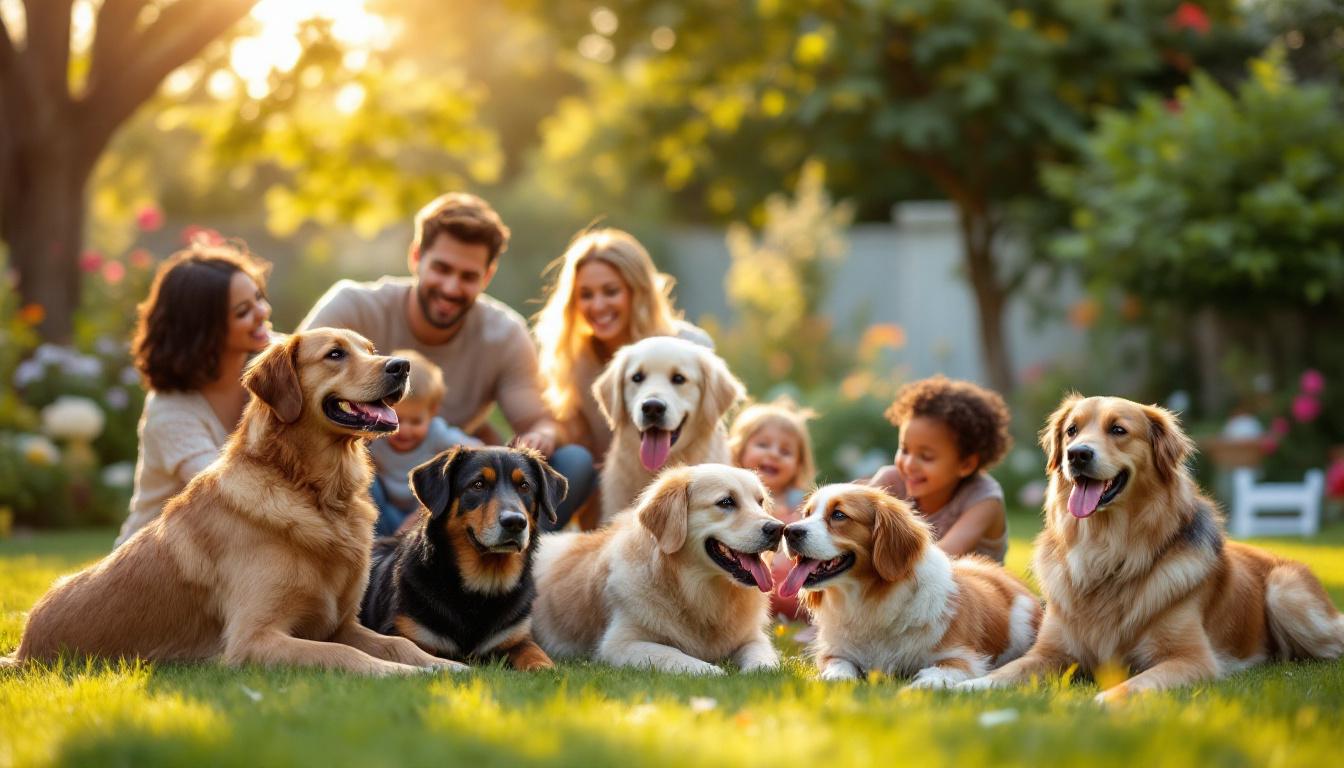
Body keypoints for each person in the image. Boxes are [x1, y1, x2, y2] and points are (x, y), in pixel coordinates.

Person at [298, 192, 592, 530]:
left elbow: (539, 421)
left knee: (575, 462)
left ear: (487, 275)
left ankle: (503, 565)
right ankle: (373, 568)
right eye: (441, 268)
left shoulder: (505, 333)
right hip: (363, 486)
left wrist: (541, 435)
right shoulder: (353, 308)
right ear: (416, 257)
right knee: (350, 467)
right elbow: (297, 390)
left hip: (451, 499)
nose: (451, 287)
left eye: (468, 276)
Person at [116, 241, 273, 546]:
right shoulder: (170, 411)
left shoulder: (269, 365)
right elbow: (226, 492)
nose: (262, 313)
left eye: (259, 298)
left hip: (228, 547)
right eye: (243, 311)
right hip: (154, 564)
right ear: (203, 330)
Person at [533, 228, 712, 466]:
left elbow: (713, 435)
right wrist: (548, 434)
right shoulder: (574, 360)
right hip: (610, 485)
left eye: (611, 291)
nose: (597, 306)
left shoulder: (692, 346)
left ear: (637, 292)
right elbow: (570, 432)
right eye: (586, 295)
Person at [866, 375, 1012, 563]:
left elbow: (937, 560)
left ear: (966, 465)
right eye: (904, 449)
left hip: (970, 588)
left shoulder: (984, 500)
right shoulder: (890, 482)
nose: (909, 464)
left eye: (926, 457)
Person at [368, 349, 481, 537]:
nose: (404, 430)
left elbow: (477, 451)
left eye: (415, 422)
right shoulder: (376, 431)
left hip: (424, 513)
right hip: (385, 514)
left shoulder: (437, 433)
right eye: (397, 418)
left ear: (432, 412)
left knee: (450, 487)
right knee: (367, 481)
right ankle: (375, 546)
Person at [728, 397, 817, 622]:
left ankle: (812, 618)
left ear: (799, 464)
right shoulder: (730, 505)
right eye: (763, 444)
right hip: (745, 600)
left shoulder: (802, 507)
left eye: (785, 451)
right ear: (739, 449)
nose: (774, 454)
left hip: (797, 601)